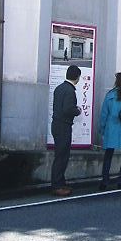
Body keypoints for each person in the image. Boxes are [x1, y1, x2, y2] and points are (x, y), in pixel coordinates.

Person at [50, 64, 81, 196]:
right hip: (63, 126)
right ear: (77, 77)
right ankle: (57, 185)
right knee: (62, 157)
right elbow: (68, 109)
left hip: (56, 124)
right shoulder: (70, 91)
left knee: (60, 155)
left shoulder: (59, 88)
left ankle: (61, 183)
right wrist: (77, 110)